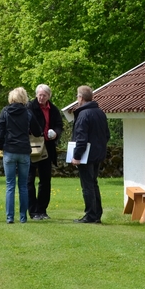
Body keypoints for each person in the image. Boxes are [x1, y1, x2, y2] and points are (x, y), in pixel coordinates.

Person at [0, 87, 42, 224]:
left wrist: (2, 146)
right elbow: (37, 131)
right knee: (23, 185)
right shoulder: (28, 113)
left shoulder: (5, 111)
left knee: (10, 185)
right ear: (24, 98)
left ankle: (10, 217)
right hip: (23, 151)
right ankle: (23, 217)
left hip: (10, 150)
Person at [69, 84, 109, 224]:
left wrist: (77, 156)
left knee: (87, 185)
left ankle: (90, 215)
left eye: (77, 96)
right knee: (93, 183)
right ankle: (97, 213)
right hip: (98, 153)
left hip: (86, 155)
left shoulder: (83, 114)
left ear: (81, 98)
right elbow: (106, 135)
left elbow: (81, 138)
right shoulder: (100, 113)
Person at [27, 84, 63, 220]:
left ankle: (42, 210)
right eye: (39, 95)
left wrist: (56, 133)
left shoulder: (53, 109)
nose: (41, 97)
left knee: (45, 180)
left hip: (47, 146)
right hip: (32, 146)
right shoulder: (30, 107)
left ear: (49, 96)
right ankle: (33, 211)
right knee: (29, 180)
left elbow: (59, 125)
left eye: (44, 95)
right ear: (36, 95)